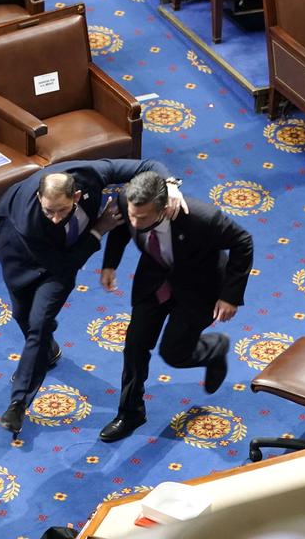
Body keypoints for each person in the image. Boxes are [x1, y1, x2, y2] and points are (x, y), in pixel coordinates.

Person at [0, 159, 185, 438]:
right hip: (19, 253)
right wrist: (98, 230)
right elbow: (62, 263)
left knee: (39, 322)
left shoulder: (93, 174)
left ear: (77, 196)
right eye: (49, 211)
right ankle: (47, 353)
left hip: (62, 263)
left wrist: (170, 184)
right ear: (38, 198)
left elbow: (148, 165)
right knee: (21, 314)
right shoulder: (29, 220)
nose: (56, 217)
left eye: (62, 210)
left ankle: (18, 402)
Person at [98, 171, 253, 442]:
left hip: (198, 289)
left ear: (163, 209)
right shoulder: (129, 202)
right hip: (155, 281)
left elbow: (243, 242)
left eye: (143, 218)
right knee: (134, 347)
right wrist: (110, 263)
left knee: (174, 354)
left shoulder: (202, 218)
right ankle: (130, 412)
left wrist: (230, 295)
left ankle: (214, 349)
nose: (136, 222)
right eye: (133, 215)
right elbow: (123, 227)